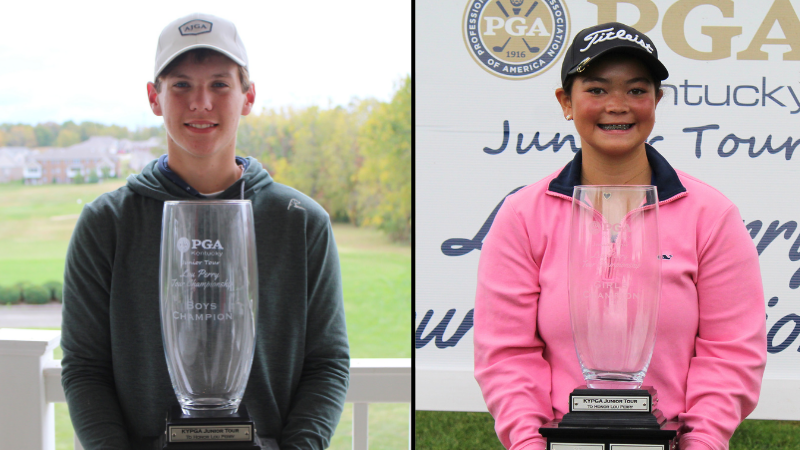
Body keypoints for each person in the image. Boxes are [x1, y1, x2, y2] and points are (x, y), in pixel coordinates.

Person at [60, 13, 349, 450]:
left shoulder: (301, 221)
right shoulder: (107, 224)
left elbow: (327, 361)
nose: (200, 102)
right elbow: (84, 365)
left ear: (248, 97)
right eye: (180, 85)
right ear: (154, 98)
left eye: (219, 84)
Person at [474, 22, 766, 450]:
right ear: (565, 102)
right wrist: (530, 444)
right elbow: (506, 356)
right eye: (596, 90)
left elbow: (732, 354)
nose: (618, 105)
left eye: (636, 90)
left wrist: (700, 443)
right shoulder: (522, 215)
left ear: (656, 101)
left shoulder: (712, 215)